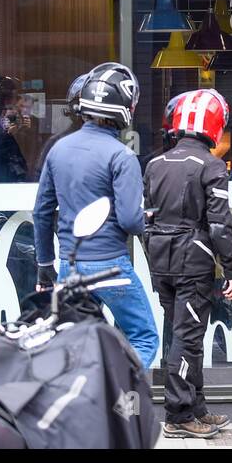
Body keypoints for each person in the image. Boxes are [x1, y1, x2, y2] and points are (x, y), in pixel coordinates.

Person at [33, 63, 158, 369]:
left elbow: (41, 212)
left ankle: (84, 397)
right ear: (125, 108)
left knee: (79, 343)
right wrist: (150, 219)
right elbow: (130, 220)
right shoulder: (122, 156)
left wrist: (44, 266)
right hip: (110, 266)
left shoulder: (58, 149)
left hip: (69, 266)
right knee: (143, 337)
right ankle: (112, 390)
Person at [143, 89, 232, 438]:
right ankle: (179, 415)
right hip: (194, 261)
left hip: (161, 261)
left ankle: (196, 408)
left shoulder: (155, 164)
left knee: (182, 333)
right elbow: (220, 225)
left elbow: (147, 219)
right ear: (215, 126)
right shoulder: (212, 166)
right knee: (188, 337)